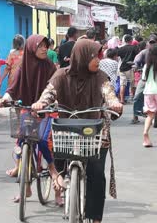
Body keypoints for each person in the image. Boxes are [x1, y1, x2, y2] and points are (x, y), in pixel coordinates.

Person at [32, 39, 123, 222]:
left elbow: (108, 93)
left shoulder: (100, 77)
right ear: (82, 57)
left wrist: (114, 103)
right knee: (58, 154)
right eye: (94, 56)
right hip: (68, 130)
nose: (98, 60)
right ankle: (60, 179)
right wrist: (41, 102)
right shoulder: (60, 75)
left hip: (96, 132)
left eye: (99, 56)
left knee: (96, 174)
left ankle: (96, 217)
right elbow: (49, 92)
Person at [0, 34, 62, 205]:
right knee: (20, 144)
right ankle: (25, 188)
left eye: (45, 46)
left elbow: (55, 87)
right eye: (40, 45)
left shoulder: (50, 66)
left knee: (43, 141)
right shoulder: (22, 67)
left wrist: (50, 102)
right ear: (31, 47)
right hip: (27, 109)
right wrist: (4, 98)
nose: (43, 49)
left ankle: (53, 172)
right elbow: (12, 88)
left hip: (46, 111)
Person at [117, 34, 138, 103]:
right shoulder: (134, 48)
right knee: (132, 83)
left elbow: (116, 54)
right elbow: (137, 56)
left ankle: (122, 99)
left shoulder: (121, 48)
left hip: (122, 67)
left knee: (122, 84)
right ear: (131, 40)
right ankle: (133, 98)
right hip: (131, 67)